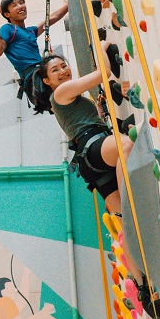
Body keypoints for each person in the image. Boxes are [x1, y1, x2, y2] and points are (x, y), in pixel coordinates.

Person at [37, 53, 134, 213]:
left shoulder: (62, 100)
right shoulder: (61, 92)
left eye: (64, 65)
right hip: (93, 149)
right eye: (55, 70)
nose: (62, 71)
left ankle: (126, 226)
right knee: (126, 144)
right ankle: (130, 203)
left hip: (90, 158)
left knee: (125, 225)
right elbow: (105, 73)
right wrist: (102, 49)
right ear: (47, 81)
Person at [0, 0, 67, 111]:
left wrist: (70, 3)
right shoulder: (9, 29)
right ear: (7, 14)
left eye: (21, 3)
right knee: (56, 64)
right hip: (35, 80)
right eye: (14, 5)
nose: (20, 6)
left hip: (41, 76)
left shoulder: (30, 31)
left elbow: (53, 18)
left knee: (65, 101)